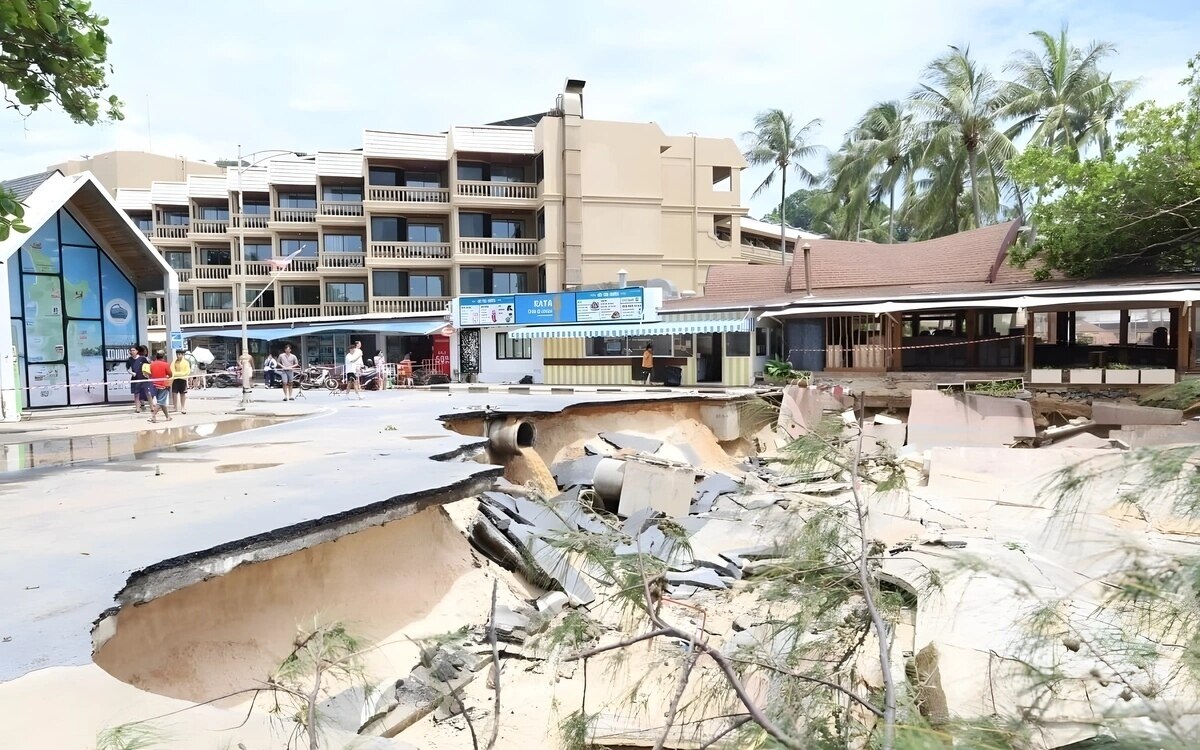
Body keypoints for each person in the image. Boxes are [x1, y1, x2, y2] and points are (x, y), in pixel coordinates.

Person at [143, 350, 173, 423]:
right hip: (163, 385)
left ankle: (167, 416)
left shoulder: (152, 364)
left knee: (161, 401)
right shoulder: (166, 364)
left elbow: (150, 374)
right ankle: (153, 416)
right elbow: (170, 374)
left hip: (154, 385)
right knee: (160, 402)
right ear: (163, 356)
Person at [126, 345, 149, 413]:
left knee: (147, 393)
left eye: (134, 350)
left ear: (137, 351)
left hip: (143, 378)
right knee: (136, 394)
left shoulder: (142, 358)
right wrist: (131, 373)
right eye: (131, 350)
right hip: (135, 378)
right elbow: (128, 369)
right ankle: (137, 408)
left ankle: (150, 406)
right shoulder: (129, 359)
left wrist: (147, 374)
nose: (132, 351)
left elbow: (147, 366)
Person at [170, 349, 191, 414]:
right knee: (174, 393)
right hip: (175, 379)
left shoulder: (186, 362)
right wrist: (176, 374)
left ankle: (182, 407)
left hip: (183, 379)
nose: (178, 356)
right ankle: (175, 407)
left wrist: (177, 374)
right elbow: (172, 370)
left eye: (179, 354)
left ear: (182, 355)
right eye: (177, 354)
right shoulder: (174, 362)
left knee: (183, 394)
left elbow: (187, 372)